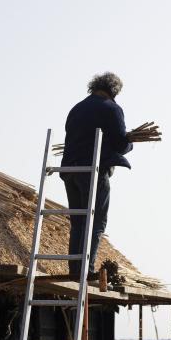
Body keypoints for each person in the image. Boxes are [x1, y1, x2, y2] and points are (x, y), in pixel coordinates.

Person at [61, 72, 133, 280]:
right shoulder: (112, 108)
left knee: (78, 221)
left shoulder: (76, 108)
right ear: (114, 91)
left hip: (70, 171)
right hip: (92, 171)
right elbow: (120, 144)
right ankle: (86, 269)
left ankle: (75, 270)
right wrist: (130, 141)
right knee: (96, 221)